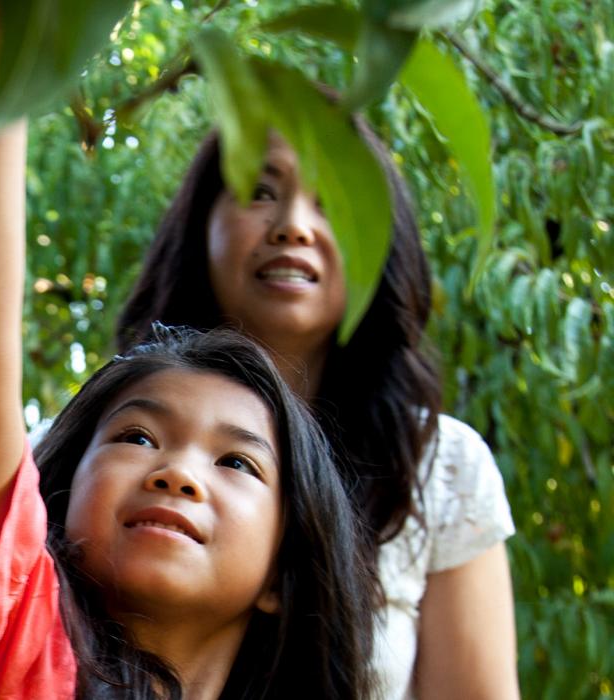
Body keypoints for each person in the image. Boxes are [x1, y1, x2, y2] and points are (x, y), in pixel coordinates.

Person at [0, 4, 376, 697]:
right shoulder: (19, 662)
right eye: (135, 435)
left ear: (284, 570)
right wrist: (6, 31)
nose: (177, 472)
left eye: (237, 461)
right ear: (61, 500)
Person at [116, 125, 519, 694]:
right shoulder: (94, 450)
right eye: (260, 191)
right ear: (200, 225)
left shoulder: (443, 467)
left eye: (333, 202)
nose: (293, 226)